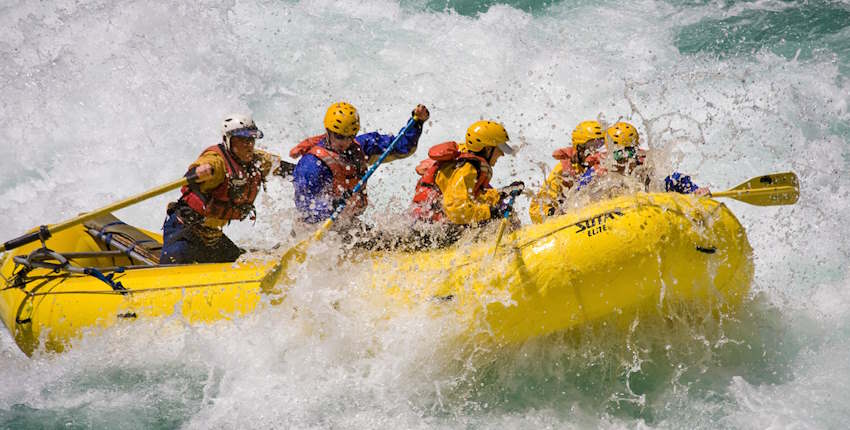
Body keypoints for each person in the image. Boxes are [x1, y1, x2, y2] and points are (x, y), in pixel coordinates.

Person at [161, 114, 287, 264]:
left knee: (237, 262)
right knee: (174, 261)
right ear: (228, 140)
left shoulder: (258, 161)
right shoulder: (217, 161)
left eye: (251, 139)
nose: (248, 145)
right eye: (242, 140)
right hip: (184, 231)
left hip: (212, 236)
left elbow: (289, 170)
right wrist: (201, 171)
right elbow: (199, 168)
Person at [290, 102, 429, 230]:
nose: (345, 142)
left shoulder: (359, 147)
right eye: (339, 137)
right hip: (315, 228)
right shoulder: (311, 165)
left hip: (348, 225)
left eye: (350, 136)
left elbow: (402, 148)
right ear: (328, 131)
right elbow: (305, 206)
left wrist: (417, 123)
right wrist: (331, 206)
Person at [408, 120, 523, 247]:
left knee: (502, 212)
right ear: (488, 149)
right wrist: (491, 212)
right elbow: (456, 210)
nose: (501, 154)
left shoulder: (468, 162)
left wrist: (500, 194)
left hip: (429, 222)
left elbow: (474, 196)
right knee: (497, 220)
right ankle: (513, 246)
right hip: (430, 230)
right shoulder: (467, 169)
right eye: (499, 149)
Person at [529, 120, 607, 224]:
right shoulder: (562, 170)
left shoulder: (603, 165)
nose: (596, 152)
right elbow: (535, 209)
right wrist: (554, 213)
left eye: (600, 145)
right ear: (580, 148)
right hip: (570, 219)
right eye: (592, 146)